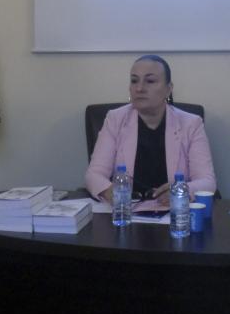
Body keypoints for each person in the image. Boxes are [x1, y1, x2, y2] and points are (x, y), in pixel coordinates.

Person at [85, 55, 216, 204]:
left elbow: (207, 181)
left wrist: (181, 190)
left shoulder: (191, 124)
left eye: (150, 81)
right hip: (127, 209)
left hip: (173, 211)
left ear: (168, 89)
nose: (139, 88)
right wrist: (108, 191)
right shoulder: (115, 119)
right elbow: (94, 174)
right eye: (134, 81)